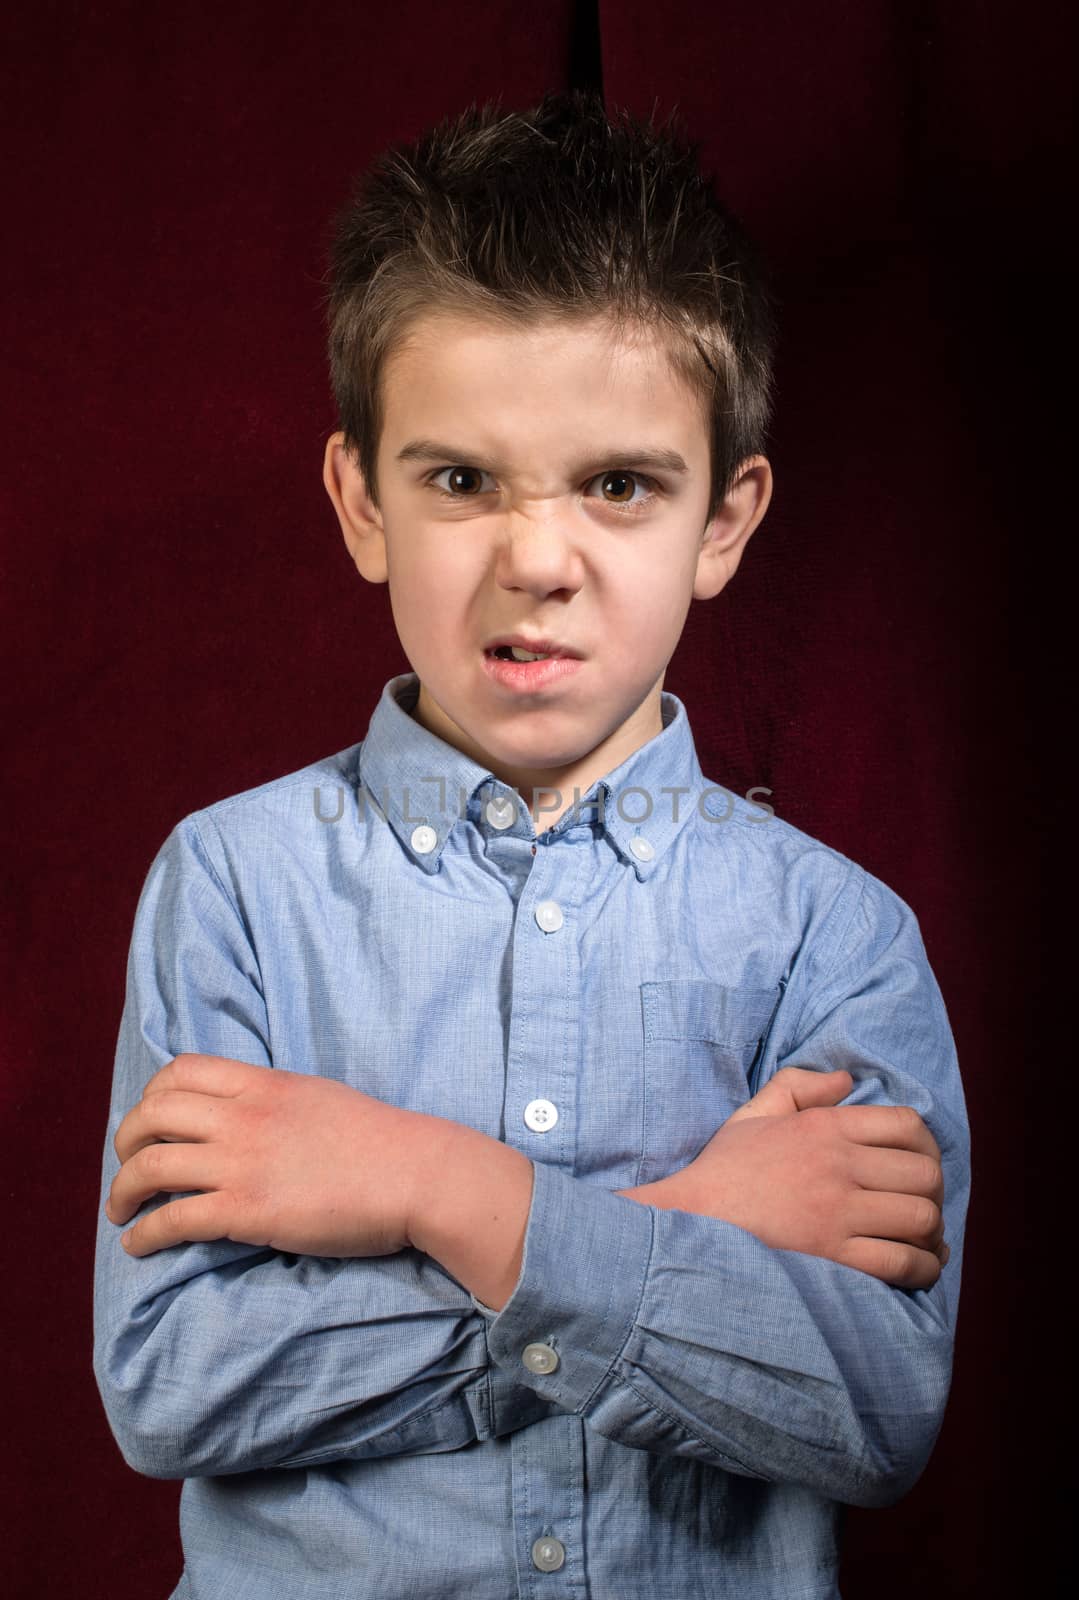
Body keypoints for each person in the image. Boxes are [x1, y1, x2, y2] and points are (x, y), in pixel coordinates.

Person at [93, 89, 970, 1599]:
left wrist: (435, 1189)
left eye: (619, 486)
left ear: (725, 519)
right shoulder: (233, 885)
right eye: (458, 481)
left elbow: (873, 1413)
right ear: (362, 500)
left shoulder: (837, 936)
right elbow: (177, 1383)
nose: (539, 561)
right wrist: (685, 1236)